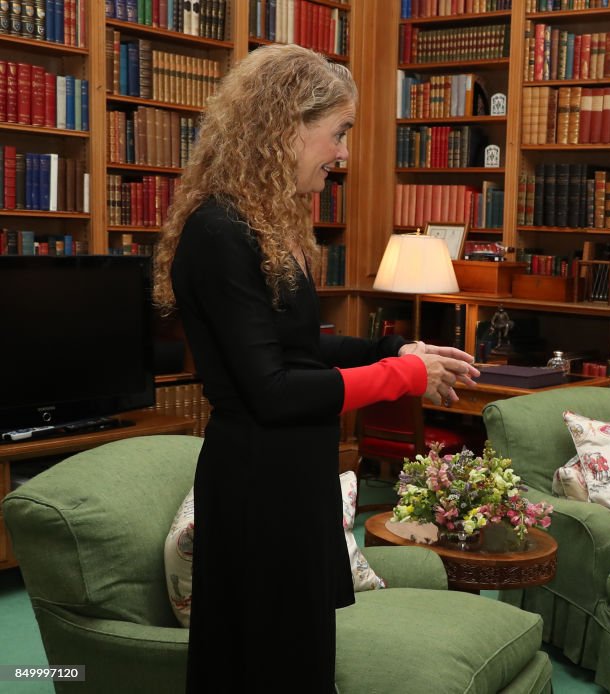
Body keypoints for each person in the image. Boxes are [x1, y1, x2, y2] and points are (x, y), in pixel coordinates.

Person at [151, 44, 479, 693]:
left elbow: (302, 350)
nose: (343, 154)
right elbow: (272, 391)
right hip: (257, 489)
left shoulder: (262, 223)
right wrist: (403, 378)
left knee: (301, 660)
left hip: (294, 479)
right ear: (286, 127)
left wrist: (395, 352)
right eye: (338, 133)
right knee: (265, 666)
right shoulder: (218, 232)